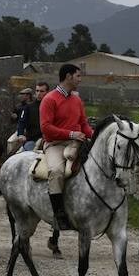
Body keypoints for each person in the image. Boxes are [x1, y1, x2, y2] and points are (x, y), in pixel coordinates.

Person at [40, 64, 93, 230]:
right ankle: (59, 215)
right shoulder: (49, 99)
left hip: (76, 142)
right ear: (68, 77)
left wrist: (97, 136)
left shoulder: (77, 100)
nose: (80, 79)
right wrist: (71, 134)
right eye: (78, 76)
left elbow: (84, 125)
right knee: (56, 172)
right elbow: (46, 128)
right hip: (54, 144)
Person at [16, 83, 47, 152]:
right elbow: (21, 121)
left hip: (48, 141)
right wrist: (20, 134)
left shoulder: (52, 107)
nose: (39, 93)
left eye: (42, 91)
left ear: (47, 92)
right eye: (37, 91)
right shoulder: (28, 107)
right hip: (32, 140)